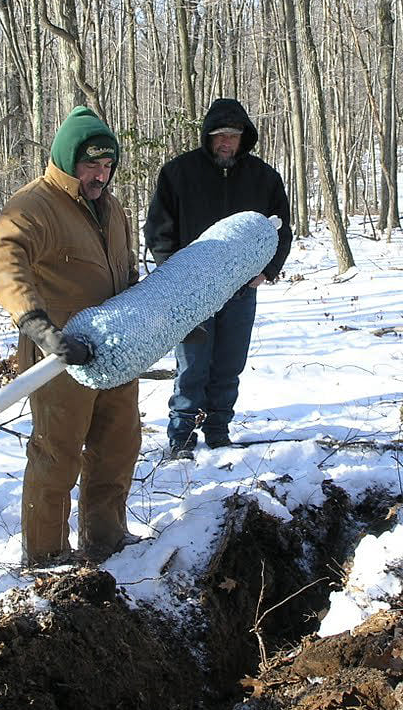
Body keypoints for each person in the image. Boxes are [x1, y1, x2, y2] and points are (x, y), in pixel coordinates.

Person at [0, 106, 141, 567]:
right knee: (58, 453)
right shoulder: (33, 205)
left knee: (118, 443)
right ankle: (46, 553)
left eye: (108, 165)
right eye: (91, 164)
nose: (101, 174)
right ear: (68, 160)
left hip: (113, 348)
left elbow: (125, 268)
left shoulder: (111, 207)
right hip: (60, 351)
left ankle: (106, 538)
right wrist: (36, 324)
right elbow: (2, 259)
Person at [143, 98, 292, 460]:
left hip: (242, 287)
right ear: (207, 137)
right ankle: (181, 435)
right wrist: (172, 272)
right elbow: (159, 231)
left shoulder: (264, 178)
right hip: (192, 290)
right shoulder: (178, 174)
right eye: (219, 136)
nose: (226, 143)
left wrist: (267, 271)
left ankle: (219, 430)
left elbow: (282, 230)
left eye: (233, 136)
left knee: (229, 363)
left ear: (245, 138)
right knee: (192, 363)